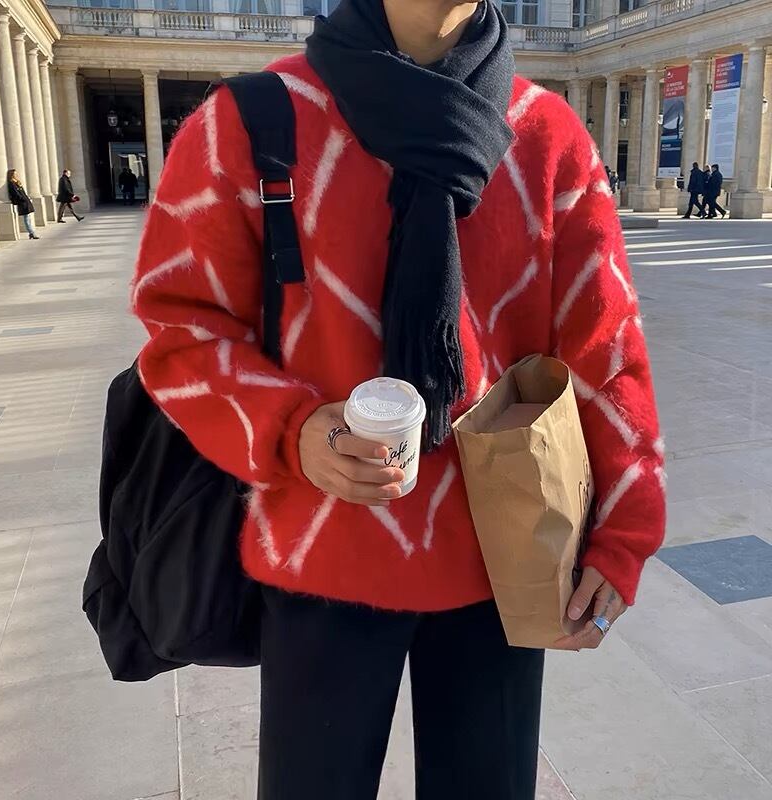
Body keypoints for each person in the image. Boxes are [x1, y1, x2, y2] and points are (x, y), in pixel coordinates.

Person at [131, 1, 665, 797]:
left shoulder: (548, 137)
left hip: (508, 554)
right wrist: (292, 430)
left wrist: (624, 532)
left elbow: (606, 348)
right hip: (324, 546)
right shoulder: (250, 122)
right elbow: (181, 328)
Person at [6, 169, 39, 240]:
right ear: (11, 175)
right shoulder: (11, 183)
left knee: (28, 217)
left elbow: (22, 192)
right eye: (14, 174)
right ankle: (31, 233)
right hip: (22, 202)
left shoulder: (17, 182)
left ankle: (31, 232)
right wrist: (22, 199)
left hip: (25, 201)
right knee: (26, 218)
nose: (16, 175)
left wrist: (26, 199)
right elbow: (15, 193)